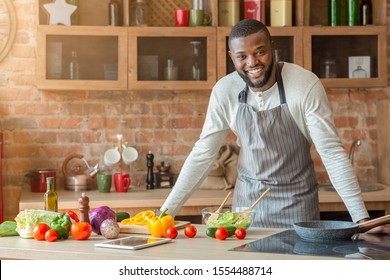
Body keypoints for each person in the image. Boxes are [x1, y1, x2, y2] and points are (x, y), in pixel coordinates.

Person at [160, 19, 389, 233]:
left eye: (260, 52)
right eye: (242, 56)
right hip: (245, 214)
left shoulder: (304, 85)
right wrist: (164, 214)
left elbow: (331, 153)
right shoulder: (224, 91)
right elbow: (203, 154)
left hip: (297, 210)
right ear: (232, 57)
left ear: (272, 47)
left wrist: (362, 219)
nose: (252, 63)